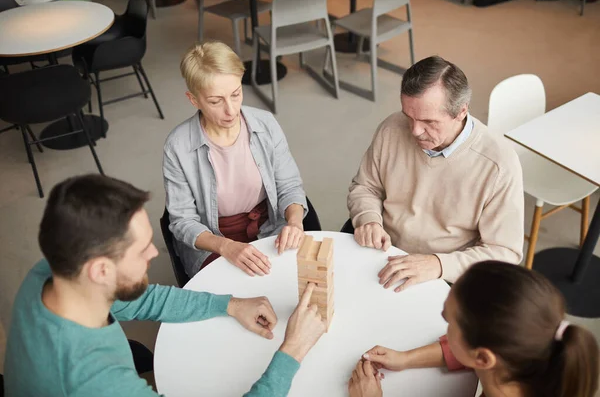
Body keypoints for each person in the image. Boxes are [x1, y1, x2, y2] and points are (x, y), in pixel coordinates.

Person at [3, 174, 326, 397]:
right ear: (100, 270)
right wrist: (293, 350)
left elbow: (141, 299)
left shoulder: (54, 271)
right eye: (142, 249)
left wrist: (228, 304)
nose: (155, 252)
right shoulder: (94, 381)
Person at [347, 56, 524, 291]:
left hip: (445, 271)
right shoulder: (391, 128)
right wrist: (368, 218)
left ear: (461, 112)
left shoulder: (498, 164)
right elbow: (365, 187)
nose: (415, 131)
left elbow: (505, 251)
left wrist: (439, 264)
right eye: (409, 116)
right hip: (383, 250)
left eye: (429, 121)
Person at [348, 261, 599, 397]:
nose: (442, 319)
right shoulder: (526, 360)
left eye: (449, 320)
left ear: (482, 358)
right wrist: (405, 358)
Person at [164, 41, 307, 278]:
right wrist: (226, 246)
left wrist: (294, 222)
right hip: (213, 241)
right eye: (215, 101)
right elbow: (182, 221)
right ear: (193, 100)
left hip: (269, 226)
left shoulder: (266, 124)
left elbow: (289, 186)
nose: (231, 110)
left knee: (291, 284)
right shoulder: (177, 147)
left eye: (236, 94)